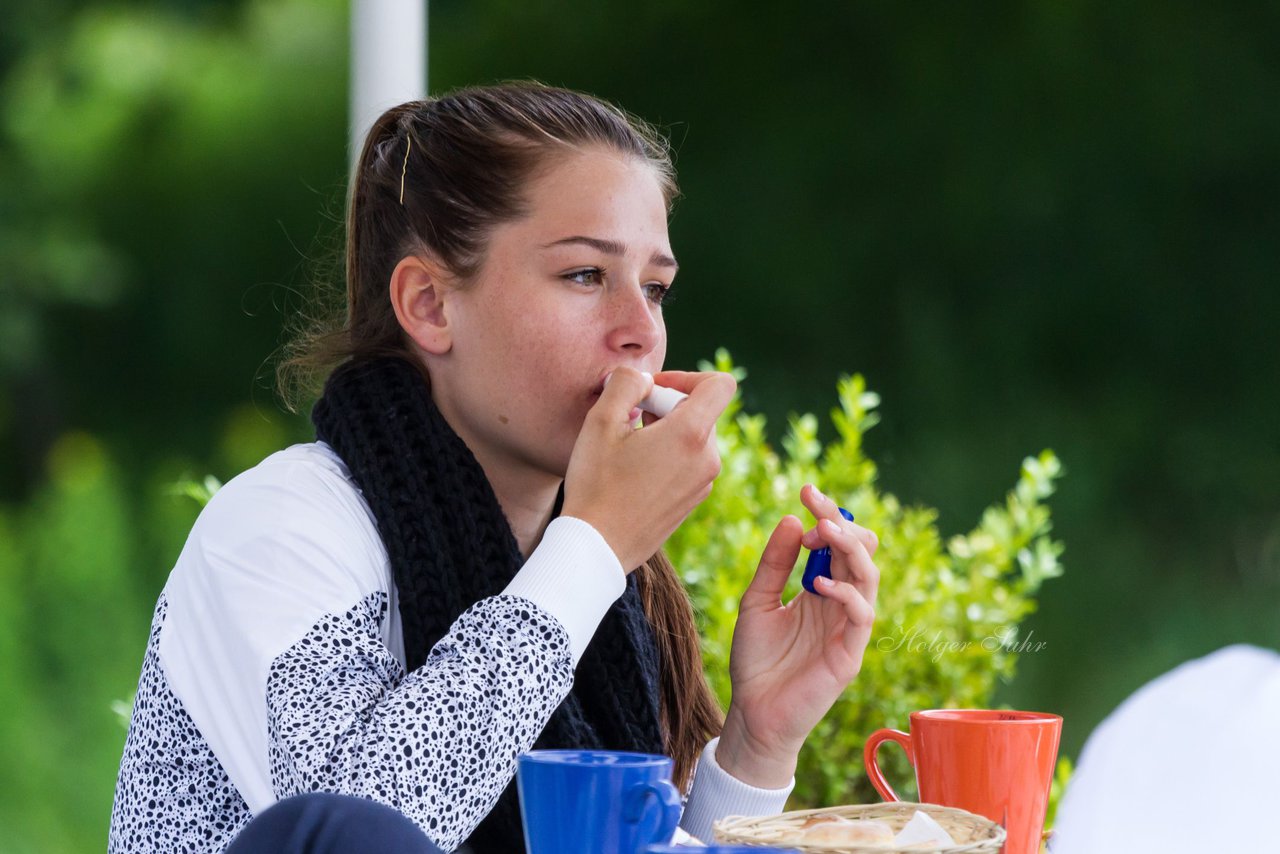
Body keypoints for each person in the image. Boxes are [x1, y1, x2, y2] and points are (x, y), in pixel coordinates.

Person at [108, 82, 881, 853]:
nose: (641, 331)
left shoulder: (583, 574)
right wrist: (593, 550)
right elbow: (359, 828)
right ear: (431, 305)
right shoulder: (281, 527)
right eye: (585, 275)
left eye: (655, 288)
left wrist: (755, 743)